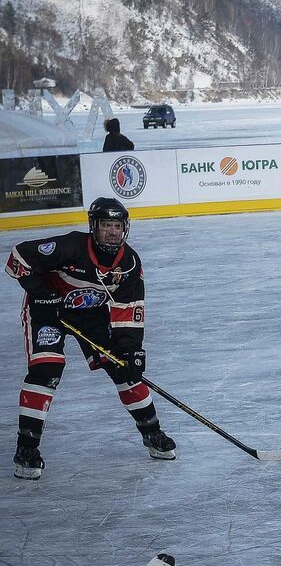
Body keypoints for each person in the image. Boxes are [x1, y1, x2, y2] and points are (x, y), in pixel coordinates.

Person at [5, 198, 177, 480]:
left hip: (91, 314)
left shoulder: (130, 263)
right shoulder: (70, 247)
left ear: (125, 228)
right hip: (48, 312)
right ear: (93, 227)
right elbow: (17, 259)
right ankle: (26, 451)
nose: (112, 232)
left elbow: (127, 309)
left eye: (117, 226)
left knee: (124, 369)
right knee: (46, 370)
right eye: (105, 225)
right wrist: (40, 291)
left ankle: (153, 434)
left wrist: (131, 351)